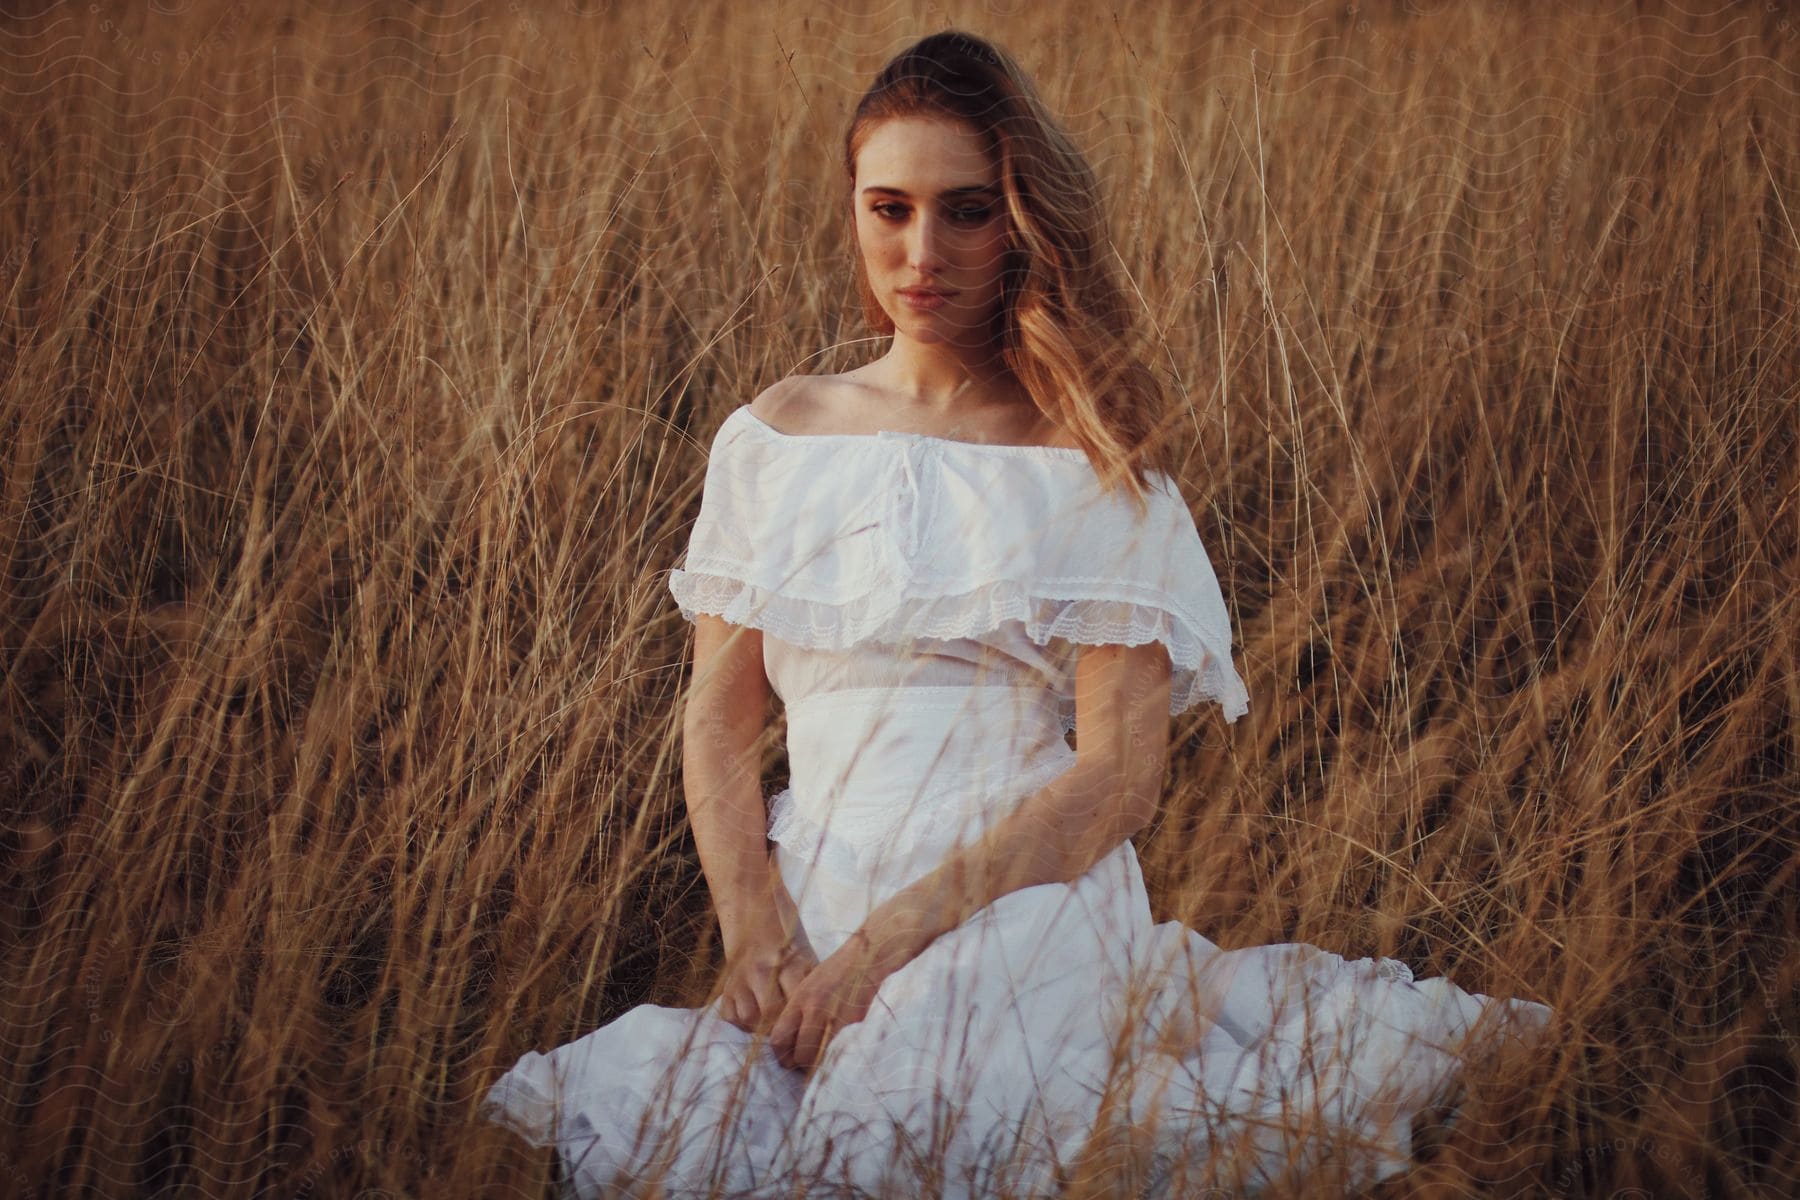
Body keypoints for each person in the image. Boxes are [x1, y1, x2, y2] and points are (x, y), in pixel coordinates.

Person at [478, 30, 1553, 1198]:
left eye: (966, 212)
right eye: (887, 208)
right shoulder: (777, 437)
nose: (920, 250)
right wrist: (754, 929)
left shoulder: (1085, 460)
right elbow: (715, 720)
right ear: (853, 208)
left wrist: (892, 948)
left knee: (915, 1146)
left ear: (1023, 223)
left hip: (1015, 906)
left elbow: (1113, 783)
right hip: (813, 898)